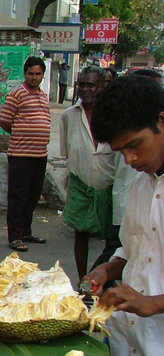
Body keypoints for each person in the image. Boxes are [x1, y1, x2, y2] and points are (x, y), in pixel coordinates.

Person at [83, 74, 164, 356]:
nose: (129, 159)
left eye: (135, 145)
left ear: (162, 120)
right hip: (125, 349)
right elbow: (135, 248)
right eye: (121, 151)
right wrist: (109, 268)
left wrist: (152, 303)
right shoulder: (142, 183)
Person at [60, 66, 115, 280]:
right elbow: (66, 152)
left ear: (101, 86)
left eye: (90, 85)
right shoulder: (68, 116)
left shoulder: (114, 115)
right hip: (80, 184)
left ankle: (104, 280)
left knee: (112, 239)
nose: (85, 89)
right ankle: (82, 281)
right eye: (81, 84)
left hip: (108, 186)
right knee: (80, 234)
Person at [0, 56, 51, 252]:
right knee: (18, 196)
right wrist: (22, 132)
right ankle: (15, 236)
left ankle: (26, 232)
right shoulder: (17, 93)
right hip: (21, 154)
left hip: (40, 155)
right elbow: (4, 120)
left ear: (42, 75)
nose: (34, 77)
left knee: (33, 195)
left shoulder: (43, 95)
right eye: (31, 74)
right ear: (25, 74)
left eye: (38, 74)